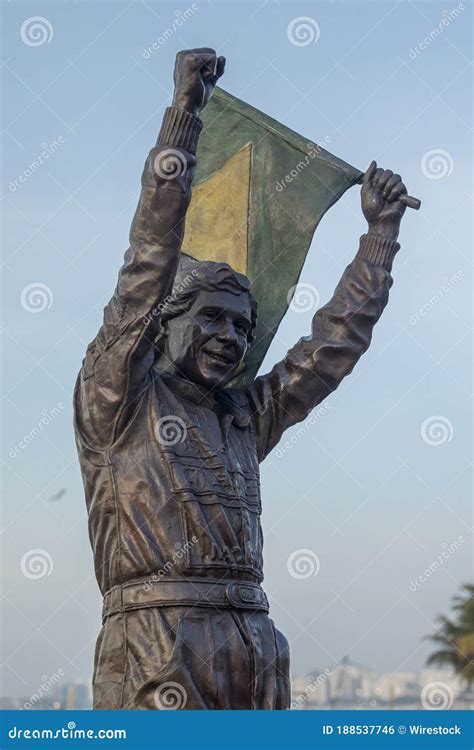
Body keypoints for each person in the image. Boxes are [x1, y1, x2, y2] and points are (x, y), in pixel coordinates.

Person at [74, 48, 409, 710]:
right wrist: (185, 120)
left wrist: (379, 237)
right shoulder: (119, 397)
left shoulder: (243, 416)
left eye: (241, 328)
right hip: (154, 639)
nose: (231, 339)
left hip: (253, 641)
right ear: (163, 325)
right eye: (214, 320)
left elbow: (334, 346)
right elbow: (148, 263)